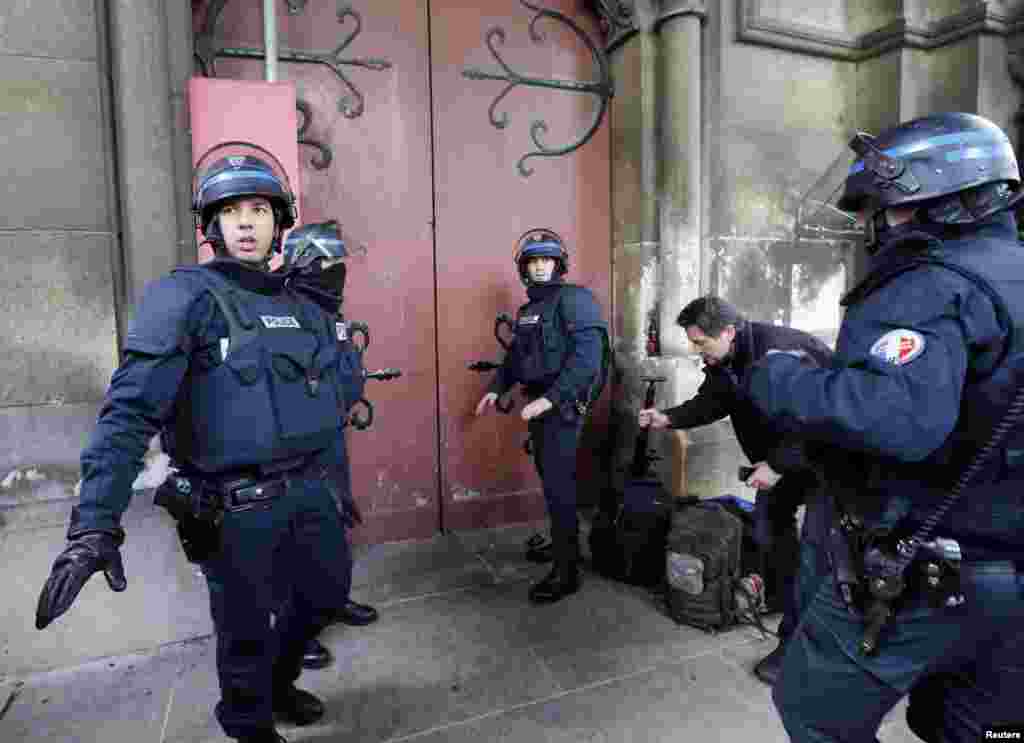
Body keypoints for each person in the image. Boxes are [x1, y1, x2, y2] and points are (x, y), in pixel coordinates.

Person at [35, 142, 366, 743]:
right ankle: (247, 720)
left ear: (279, 222)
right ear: (212, 222)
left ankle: (277, 684)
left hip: (309, 492)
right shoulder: (185, 297)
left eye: (261, 209)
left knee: (324, 598)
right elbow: (129, 412)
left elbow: (330, 402)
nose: (247, 221)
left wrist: (336, 486)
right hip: (232, 506)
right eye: (233, 209)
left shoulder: (304, 306)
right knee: (243, 630)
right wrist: (93, 524)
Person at [743, 112, 1024, 742]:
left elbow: (896, 420)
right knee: (970, 725)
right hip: (1009, 569)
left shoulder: (928, 283)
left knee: (815, 708)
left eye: (885, 205)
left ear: (931, 195)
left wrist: (779, 380)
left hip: (930, 570)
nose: (877, 221)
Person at [637, 295, 832, 685]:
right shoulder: (726, 359)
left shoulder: (780, 354)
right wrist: (668, 418)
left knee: (818, 552)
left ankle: (801, 648)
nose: (697, 351)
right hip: (778, 461)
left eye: (701, 343)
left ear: (728, 331)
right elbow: (713, 401)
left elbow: (818, 419)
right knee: (768, 531)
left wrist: (778, 466)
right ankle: (784, 602)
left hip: (825, 459)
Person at [475, 229, 607, 604]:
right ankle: (565, 546)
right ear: (524, 268)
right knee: (553, 484)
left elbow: (588, 361)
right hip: (541, 409)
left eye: (546, 260)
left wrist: (549, 401)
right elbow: (517, 358)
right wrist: (494, 388)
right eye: (533, 261)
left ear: (559, 264)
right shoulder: (529, 311)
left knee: (559, 489)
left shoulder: (575, 300)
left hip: (562, 408)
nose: (540, 267)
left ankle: (567, 572)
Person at [278, 220, 380, 672]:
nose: (340, 270)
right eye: (333, 262)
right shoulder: (287, 311)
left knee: (337, 522)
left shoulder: (326, 311)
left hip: (331, 437)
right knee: (301, 535)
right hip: (302, 446)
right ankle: (299, 631)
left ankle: (332, 599)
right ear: (310, 263)